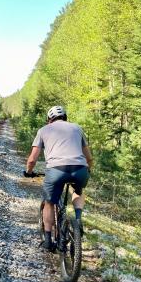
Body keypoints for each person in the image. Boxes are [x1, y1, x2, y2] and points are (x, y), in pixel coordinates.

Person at [23, 105, 93, 250]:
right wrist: (88, 171)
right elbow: (89, 158)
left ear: (49, 119)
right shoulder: (77, 128)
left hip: (56, 170)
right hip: (80, 169)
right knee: (77, 190)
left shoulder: (43, 130)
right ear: (65, 118)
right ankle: (78, 219)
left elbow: (32, 160)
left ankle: (48, 241)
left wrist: (29, 172)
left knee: (49, 202)